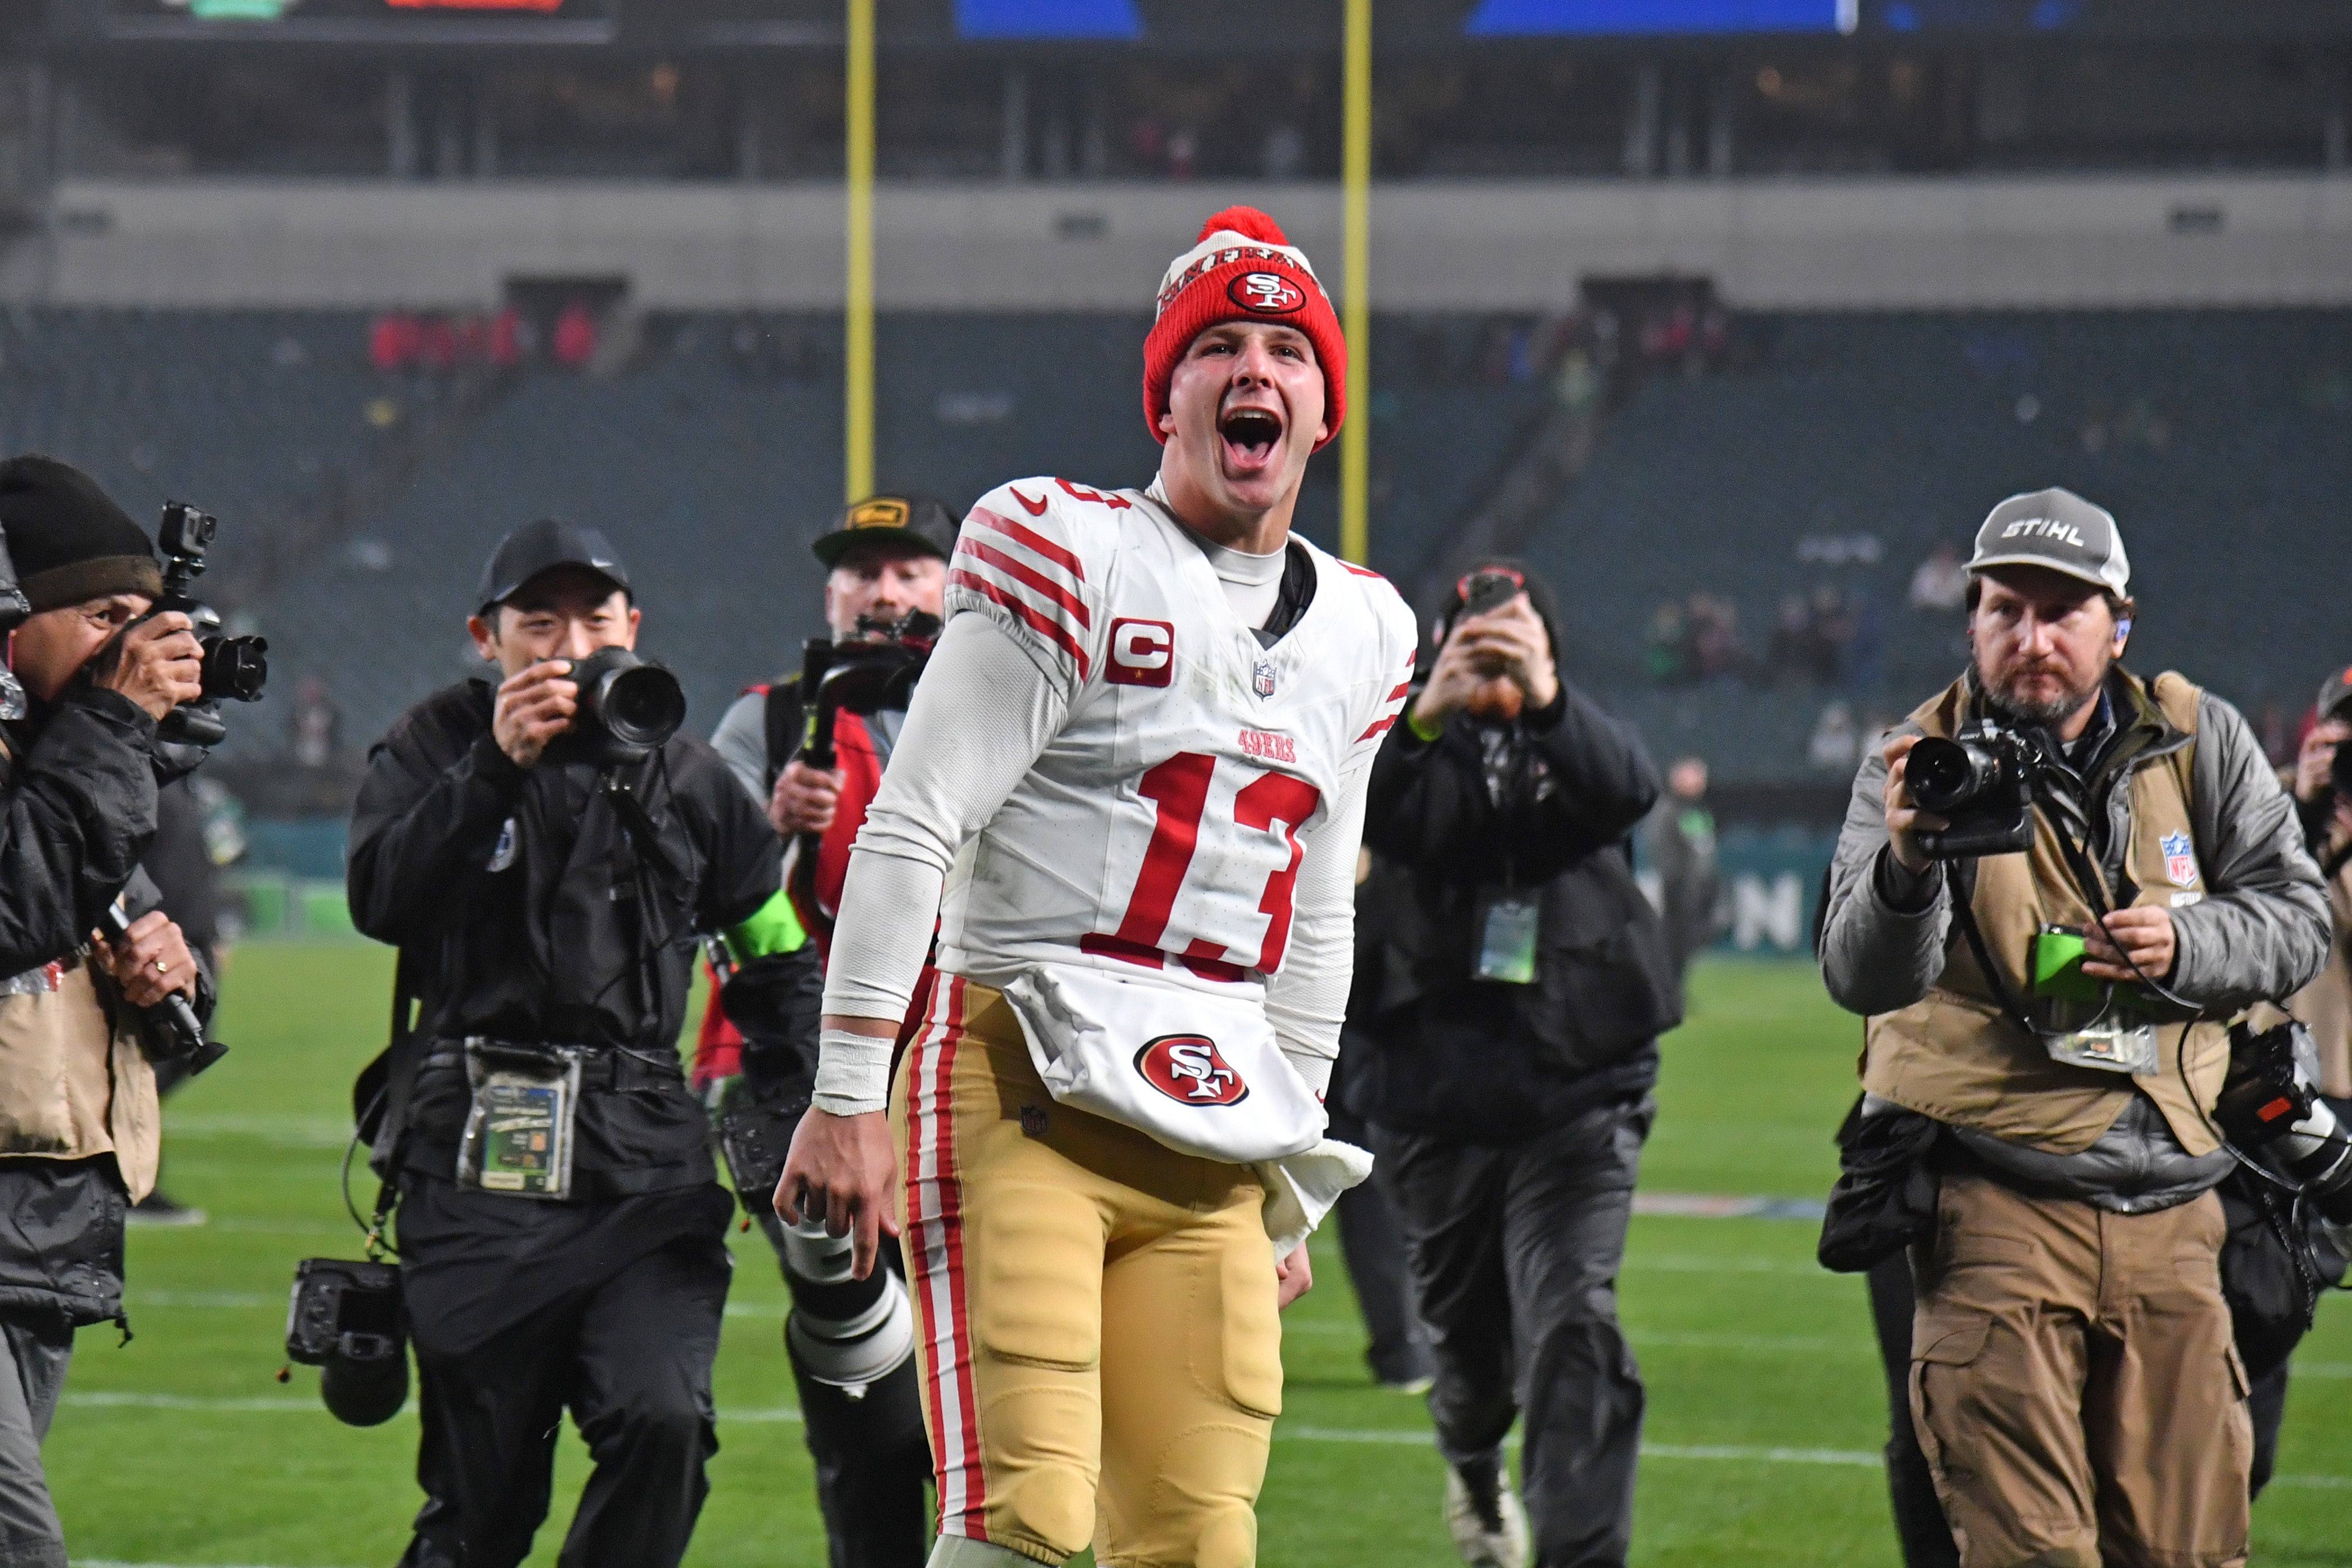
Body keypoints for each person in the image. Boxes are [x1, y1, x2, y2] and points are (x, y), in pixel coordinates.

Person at [777, 204, 1419, 1568]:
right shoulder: (1063, 546)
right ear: (1167, 395)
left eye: (1288, 352)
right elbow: (915, 821)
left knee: (1195, 1537)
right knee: (1028, 1520)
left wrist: (1290, 1186)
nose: (1257, 371)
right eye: (1221, 348)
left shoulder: (1366, 626)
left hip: (1214, 1118)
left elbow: (1316, 913)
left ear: (1324, 411)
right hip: (1020, 1077)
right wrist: (845, 1093)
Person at [1819, 487, 2328, 1568]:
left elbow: (2296, 921)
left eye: (2064, 611)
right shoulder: (1915, 760)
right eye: (2006, 608)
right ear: (1970, 616)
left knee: (2190, 1551)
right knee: (2030, 1554)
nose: (2032, 638)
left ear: (2119, 622)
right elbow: (1859, 975)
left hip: (2179, 1209)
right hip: (1995, 1202)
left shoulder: (2200, 740)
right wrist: (1909, 861)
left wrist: (2185, 949)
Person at [346, 517, 810, 1568]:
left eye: (593, 615)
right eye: (536, 619)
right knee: (480, 1510)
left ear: (633, 627)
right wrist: (493, 770)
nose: (566, 641)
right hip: (474, 1166)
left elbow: (773, 950)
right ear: (485, 636)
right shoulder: (429, 745)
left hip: (646, 1165)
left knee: (664, 1424)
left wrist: (799, 1096)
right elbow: (382, 899)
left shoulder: (686, 773)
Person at [1347, 559, 1678, 1568]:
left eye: (1515, 633)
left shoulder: (1574, 736)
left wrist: (1543, 695)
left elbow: (1628, 788)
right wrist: (1423, 709)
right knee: (1470, 1360)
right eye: (1472, 636)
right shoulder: (1397, 745)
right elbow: (1354, 810)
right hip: (1433, 1090)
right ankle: (1470, 1457)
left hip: (1575, 1089)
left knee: (1574, 1322)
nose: (1492, 649)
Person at [700, 493, 954, 1568]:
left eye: (907, 569)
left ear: (953, 586)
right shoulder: (763, 723)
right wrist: (769, 835)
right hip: (795, 1086)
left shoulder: (1010, 711)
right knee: (865, 1392)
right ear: (830, 594)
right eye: (862, 572)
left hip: (966, 1080)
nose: (883, 591)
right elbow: (698, 898)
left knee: (995, 1383)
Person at [0, 454, 214, 1568]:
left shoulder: (57, 759)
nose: (134, 648)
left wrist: (170, 970)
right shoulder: (76, 758)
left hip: (38, 1220)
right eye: (101, 616)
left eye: (146, 620)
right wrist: (115, 725)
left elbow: (104, 923)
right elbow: (13, 905)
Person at [1643, 755, 1722, 1002]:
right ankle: (1666, 992)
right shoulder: (1668, 811)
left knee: (1685, 944)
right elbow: (1662, 849)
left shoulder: (1697, 812)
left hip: (1695, 889)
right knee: (1671, 943)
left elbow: (1704, 851)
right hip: (1675, 888)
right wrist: (1674, 879)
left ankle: (1675, 991)